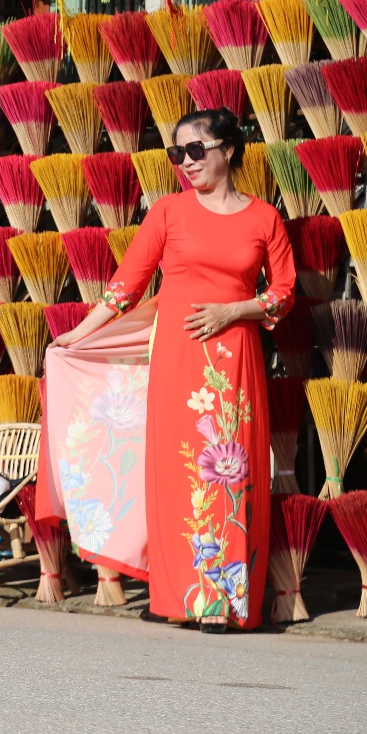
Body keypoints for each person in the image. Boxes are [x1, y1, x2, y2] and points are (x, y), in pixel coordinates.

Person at [51, 109, 294, 632]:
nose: (185, 162)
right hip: (177, 363)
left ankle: (223, 602)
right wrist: (78, 334)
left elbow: (283, 293)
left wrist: (234, 311)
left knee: (230, 473)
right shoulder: (168, 212)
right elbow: (125, 287)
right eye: (176, 153)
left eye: (195, 150)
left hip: (234, 363)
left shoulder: (263, 218)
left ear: (228, 149)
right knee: (180, 473)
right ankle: (181, 597)